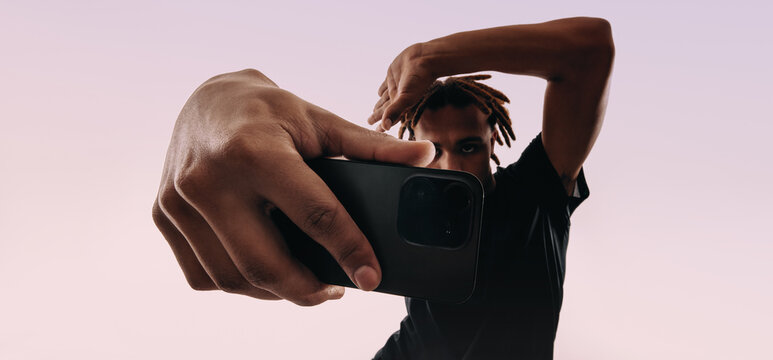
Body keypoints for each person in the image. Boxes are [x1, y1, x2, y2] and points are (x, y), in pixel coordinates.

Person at [152, 16, 614, 359]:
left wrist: (434, 56)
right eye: (433, 149)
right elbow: (268, 179)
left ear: (495, 140)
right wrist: (214, 104)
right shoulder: (393, 208)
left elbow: (590, 51)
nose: (451, 165)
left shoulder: (535, 194)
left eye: (469, 145)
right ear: (408, 151)